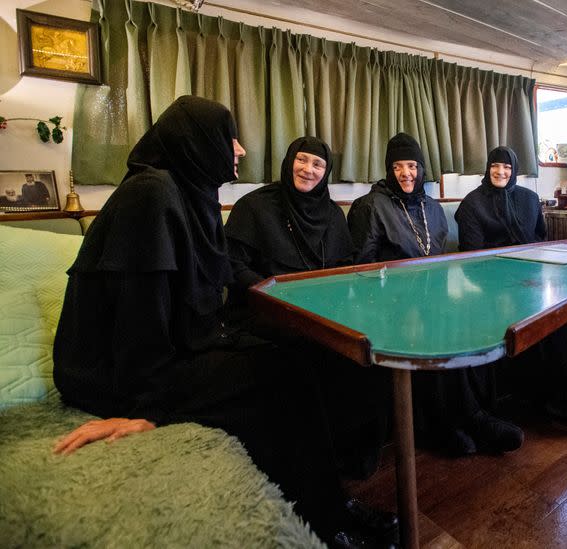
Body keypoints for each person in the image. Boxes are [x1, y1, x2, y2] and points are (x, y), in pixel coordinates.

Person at [51, 96, 396, 548]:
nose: (240, 150)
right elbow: (138, 317)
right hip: (118, 371)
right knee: (283, 377)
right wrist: (148, 410)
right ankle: (327, 523)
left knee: (301, 357)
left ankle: (331, 504)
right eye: (227, 138)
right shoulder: (150, 194)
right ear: (196, 142)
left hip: (177, 347)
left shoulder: (189, 195)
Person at [348, 133, 524, 456]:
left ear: (421, 168)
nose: (406, 174)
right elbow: (362, 272)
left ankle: (473, 416)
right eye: (398, 167)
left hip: (430, 300)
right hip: (390, 305)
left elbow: (439, 261)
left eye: (412, 166)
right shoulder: (371, 206)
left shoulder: (432, 207)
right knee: (429, 330)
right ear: (389, 169)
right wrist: (402, 303)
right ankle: (447, 424)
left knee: (465, 320)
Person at [224, 136, 389, 479]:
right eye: (302, 161)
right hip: (264, 312)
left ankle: (354, 450)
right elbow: (233, 268)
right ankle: (317, 462)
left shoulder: (330, 213)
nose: (309, 170)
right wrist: (272, 295)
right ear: (288, 162)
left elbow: (343, 268)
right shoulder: (254, 207)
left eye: (318, 165)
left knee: (367, 345)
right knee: (312, 353)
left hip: (322, 313)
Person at [455, 146, 567, 424]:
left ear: (514, 171)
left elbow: (540, 240)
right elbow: (472, 257)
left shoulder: (529, 198)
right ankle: (557, 398)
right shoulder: (472, 204)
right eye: (495, 166)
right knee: (542, 314)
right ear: (488, 169)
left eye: (507, 168)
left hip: (533, 276)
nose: (501, 172)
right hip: (492, 281)